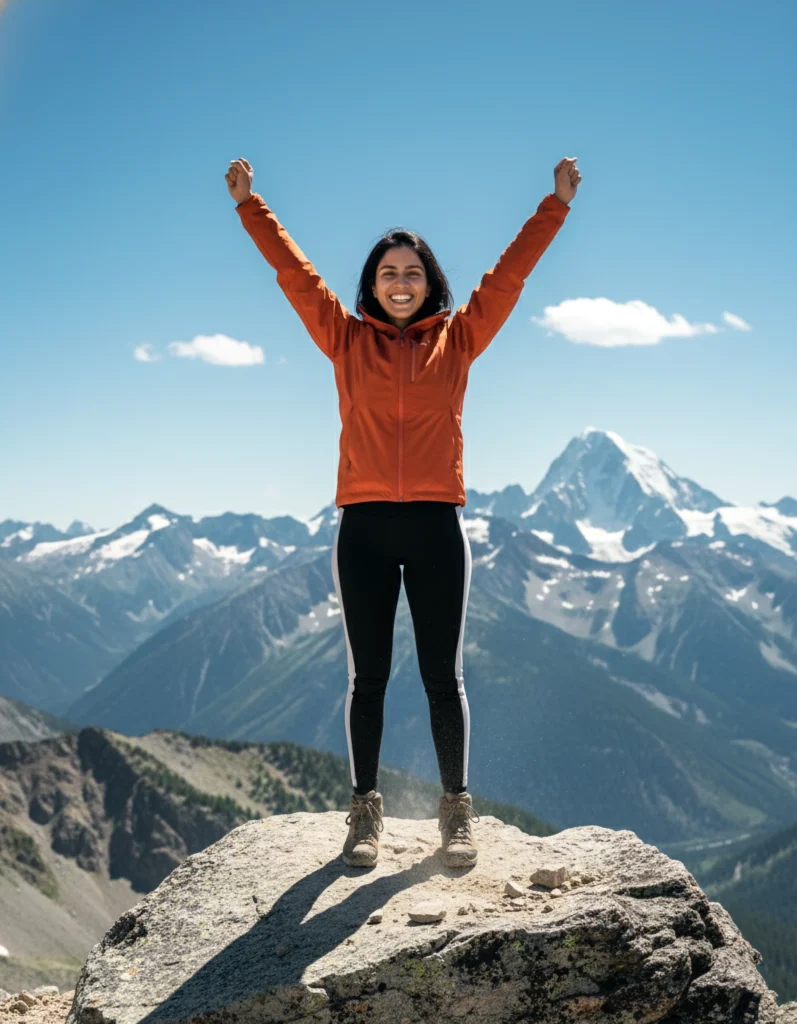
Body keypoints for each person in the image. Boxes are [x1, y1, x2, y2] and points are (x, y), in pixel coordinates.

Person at [226, 155, 580, 869]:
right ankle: (364, 814)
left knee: (442, 678)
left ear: (430, 284)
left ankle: (455, 810)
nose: (399, 283)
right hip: (362, 526)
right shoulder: (343, 338)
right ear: (371, 284)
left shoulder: (460, 338)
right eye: (388, 273)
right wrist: (250, 206)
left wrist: (555, 205)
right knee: (368, 678)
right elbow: (295, 277)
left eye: (412, 273)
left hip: (434, 527)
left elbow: (506, 277)